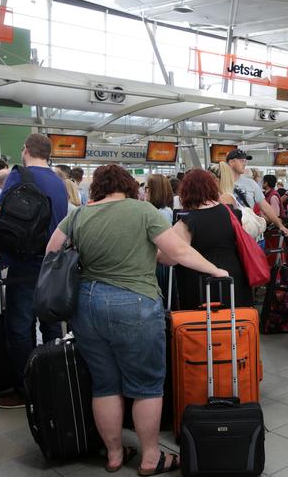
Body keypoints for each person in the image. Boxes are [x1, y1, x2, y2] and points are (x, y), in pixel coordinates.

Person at [46, 164, 227, 475]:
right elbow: (178, 252)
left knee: (104, 384)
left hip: (87, 307)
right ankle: (150, 458)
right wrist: (216, 270)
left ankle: (115, 455)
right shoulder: (142, 211)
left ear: (98, 187)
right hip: (136, 304)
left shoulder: (77, 214)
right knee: (146, 385)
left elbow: (51, 250)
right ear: (128, 185)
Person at [0, 133, 68, 409]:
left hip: (23, 264)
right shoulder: (59, 183)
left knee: (20, 327)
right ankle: (53, 379)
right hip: (53, 264)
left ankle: (26, 388)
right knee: (50, 324)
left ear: (26, 150)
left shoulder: (19, 175)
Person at [173, 169, 252, 309]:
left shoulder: (187, 221)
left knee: (207, 324)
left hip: (200, 278)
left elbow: (174, 255)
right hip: (234, 272)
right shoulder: (232, 213)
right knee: (237, 318)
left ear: (186, 192)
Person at [226, 149, 288, 236]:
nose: (244, 164)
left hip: (248, 232)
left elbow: (265, 207)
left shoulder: (251, 184)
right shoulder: (219, 183)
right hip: (229, 233)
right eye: (241, 161)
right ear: (231, 162)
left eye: (245, 161)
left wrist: (280, 225)